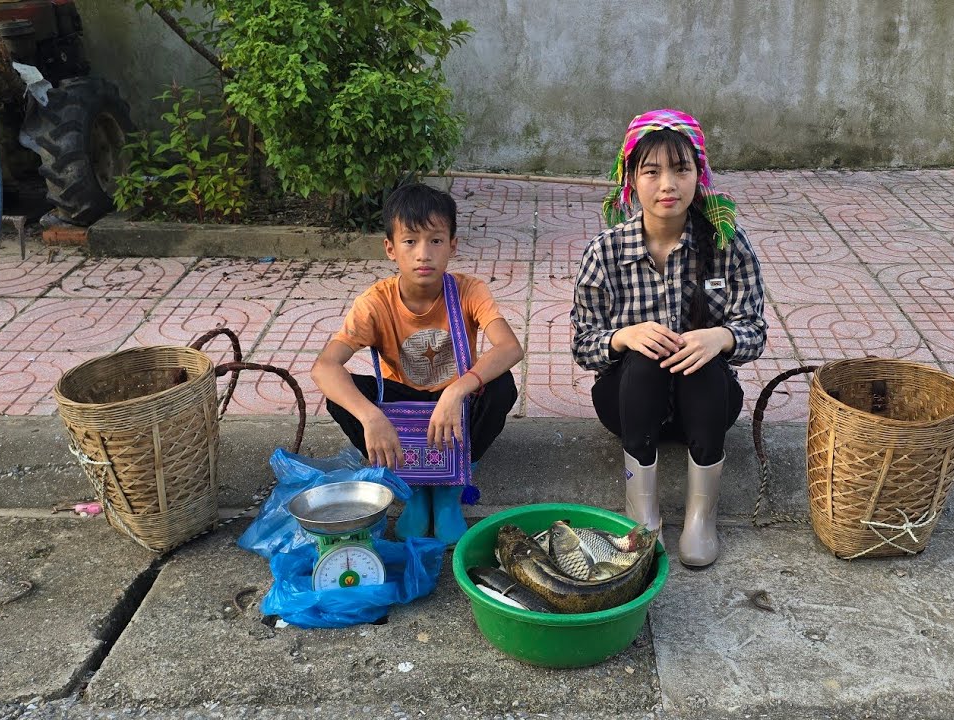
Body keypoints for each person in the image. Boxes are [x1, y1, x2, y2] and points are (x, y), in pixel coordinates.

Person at [571, 109, 767, 568]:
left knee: (698, 355)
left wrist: (720, 337)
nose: (668, 185)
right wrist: (623, 337)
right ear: (630, 180)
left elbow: (754, 330)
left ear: (700, 175)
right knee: (646, 357)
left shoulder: (727, 244)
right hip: (630, 407)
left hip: (707, 408)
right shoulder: (605, 251)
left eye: (681, 170)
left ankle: (701, 516)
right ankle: (643, 513)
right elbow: (583, 344)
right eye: (652, 171)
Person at [313, 183, 524, 546]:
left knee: (501, 386)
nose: (423, 254)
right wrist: (371, 417)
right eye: (410, 241)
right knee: (341, 395)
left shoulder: (468, 290)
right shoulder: (375, 302)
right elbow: (324, 367)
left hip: (453, 406)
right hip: (402, 402)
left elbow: (509, 347)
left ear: (452, 245)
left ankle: (449, 490)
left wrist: (456, 391)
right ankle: (410, 486)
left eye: (436, 240)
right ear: (390, 248)